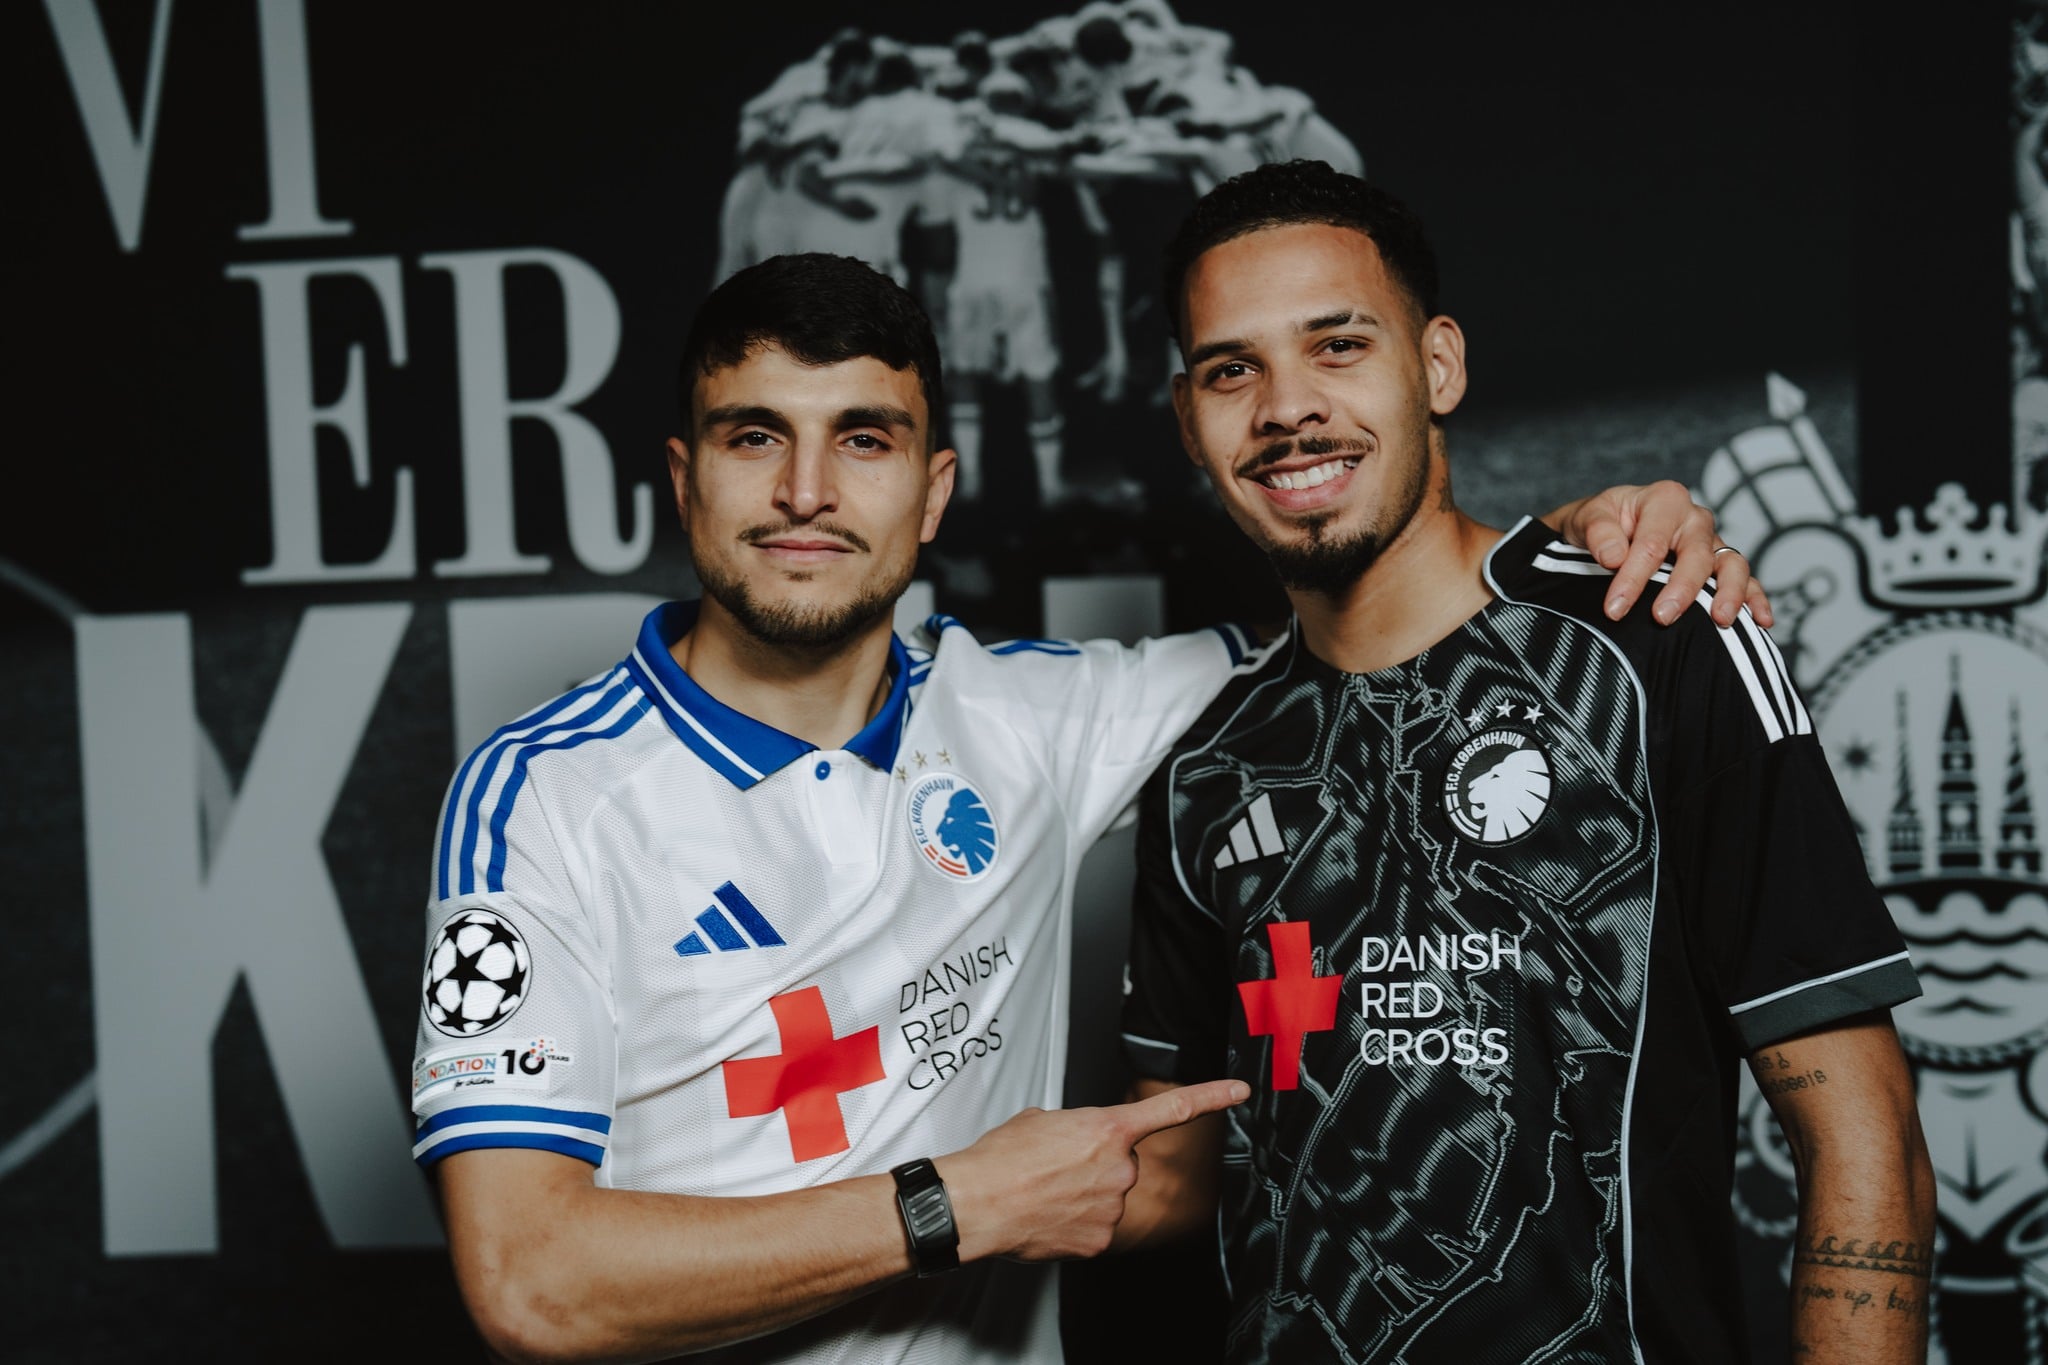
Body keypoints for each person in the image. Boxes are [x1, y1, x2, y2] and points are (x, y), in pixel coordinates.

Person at [411, 251, 1767, 1364]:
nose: (806, 493)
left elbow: (1384, 617)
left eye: (863, 440)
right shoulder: (547, 796)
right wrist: (952, 1206)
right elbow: (533, 1283)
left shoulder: (1030, 717)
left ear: (932, 492)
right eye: (753, 436)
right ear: (682, 478)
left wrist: (1579, 541)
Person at [1115, 161, 1934, 1364]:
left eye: (1337, 346)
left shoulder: (1658, 645)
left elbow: (1864, 1141)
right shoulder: (1208, 764)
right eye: (1230, 370)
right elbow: (1176, 1178)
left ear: (1437, 365)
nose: (1287, 408)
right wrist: (930, 1206)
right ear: (1188, 419)